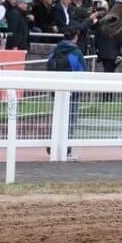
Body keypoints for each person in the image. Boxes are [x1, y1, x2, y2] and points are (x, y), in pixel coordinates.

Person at [49, 28, 88, 160]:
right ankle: (67, 149)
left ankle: (53, 145)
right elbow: (83, 71)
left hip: (56, 90)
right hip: (73, 92)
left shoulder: (55, 50)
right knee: (70, 120)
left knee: (57, 118)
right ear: (75, 37)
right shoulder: (76, 52)